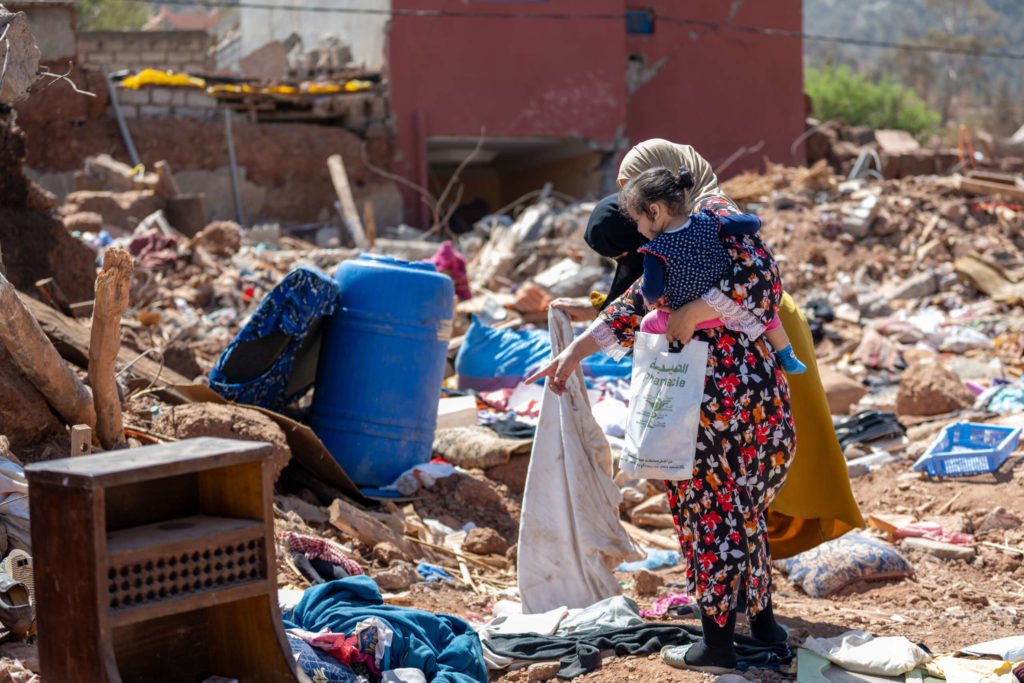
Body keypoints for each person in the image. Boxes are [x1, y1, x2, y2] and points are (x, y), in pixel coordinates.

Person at [555, 140, 862, 562]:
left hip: (758, 331)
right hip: (734, 335)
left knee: (759, 461)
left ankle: (742, 584)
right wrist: (590, 324)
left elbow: (756, 277)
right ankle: (740, 581)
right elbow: (646, 291)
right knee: (734, 474)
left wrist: (694, 312)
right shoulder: (672, 220)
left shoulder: (713, 211)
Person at [620, 165, 806, 374]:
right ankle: (788, 355)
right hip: (730, 307)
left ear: (654, 211)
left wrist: (653, 298)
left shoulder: (655, 251)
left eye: (638, 220)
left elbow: (652, 290)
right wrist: (755, 219)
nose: (638, 228)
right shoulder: (708, 221)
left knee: (649, 324)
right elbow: (751, 223)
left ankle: (649, 371)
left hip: (690, 315)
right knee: (767, 312)